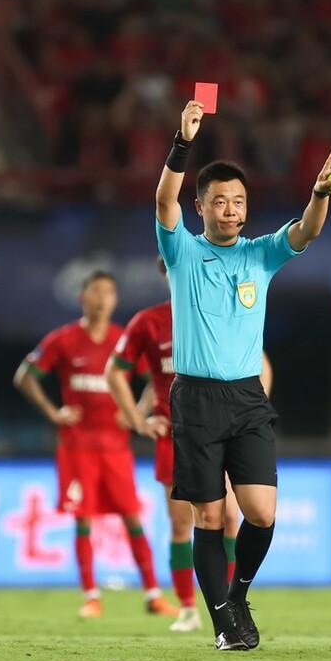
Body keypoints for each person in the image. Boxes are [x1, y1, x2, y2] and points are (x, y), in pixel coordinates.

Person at [154, 98, 331, 650]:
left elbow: (306, 232)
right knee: (209, 517)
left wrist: (319, 195)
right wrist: (183, 142)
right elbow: (163, 200)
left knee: (260, 512)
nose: (231, 209)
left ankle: (237, 594)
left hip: (247, 398)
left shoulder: (261, 255)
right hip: (196, 399)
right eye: (220, 201)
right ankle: (223, 625)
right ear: (201, 206)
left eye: (238, 201)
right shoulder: (182, 251)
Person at [106, 257, 273, 632]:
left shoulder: (219, 309)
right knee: (183, 523)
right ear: (168, 274)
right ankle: (187, 608)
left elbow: (260, 362)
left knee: (231, 518)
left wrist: (252, 411)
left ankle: (230, 605)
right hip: (178, 434)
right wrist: (138, 419)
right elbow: (117, 372)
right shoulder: (148, 322)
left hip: (226, 427)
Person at [14, 271, 175, 619]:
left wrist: (136, 414)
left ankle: (153, 594)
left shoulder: (123, 339)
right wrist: (54, 412)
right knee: (83, 519)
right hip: (78, 447)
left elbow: (156, 377)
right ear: (82, 297)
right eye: (96, 291)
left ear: (115, 300)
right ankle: (91, 596)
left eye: (109, 292)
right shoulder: (64, 339)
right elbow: (25, 376)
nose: (102, 298)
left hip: (116, 447)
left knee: (132, 517)